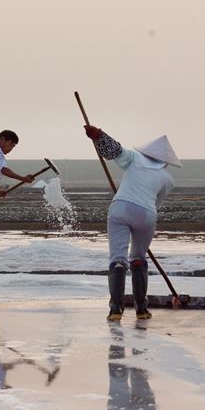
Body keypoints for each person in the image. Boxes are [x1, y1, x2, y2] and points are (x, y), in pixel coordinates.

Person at [84, 125, 180, 321]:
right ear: (165, 161)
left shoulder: (134, 159)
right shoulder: (168, 179)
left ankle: (115, 310)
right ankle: (141, 310)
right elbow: (156, 203)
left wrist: (100, 137)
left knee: (118, 260)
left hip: (120, 208)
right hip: (146, 214)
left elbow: (115, 151)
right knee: (138, 258)